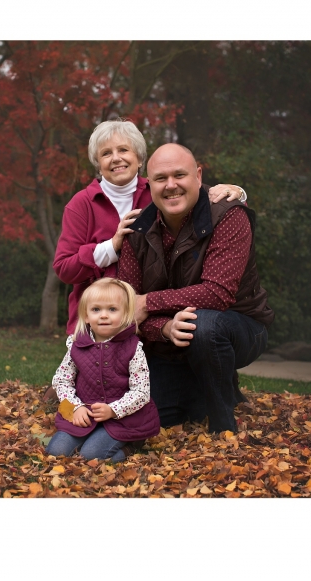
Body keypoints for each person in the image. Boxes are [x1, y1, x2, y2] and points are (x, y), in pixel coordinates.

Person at [117, 143, 275, 433]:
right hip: (170, 341)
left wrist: (149, 303)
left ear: (198, 176)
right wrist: (163, 328)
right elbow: (127, 309)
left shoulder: (227, 215)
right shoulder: (136, 229)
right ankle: (214, 383)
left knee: (204, 325)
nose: (171, 185)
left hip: (238, 326)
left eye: (180, 175)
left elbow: (217, 293)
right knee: (159, 419)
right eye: (161, 178)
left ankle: (223, 428)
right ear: (149, 183)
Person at [53, 119, 247, 336]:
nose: (116, 158)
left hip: (150, 317)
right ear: (98, 163)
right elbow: (64, 268)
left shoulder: (159, 189)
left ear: (139, 158)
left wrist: (237, 192)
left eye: (124, 150)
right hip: (98, 318)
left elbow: (200, 197)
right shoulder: (81, 204)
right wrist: (111, 247)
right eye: (106, 153)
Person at [45, 278, 160, 462]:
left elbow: (141, 391)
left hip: (122, 418)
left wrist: (114, 410)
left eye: (112, 309)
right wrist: (75, 407)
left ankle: (132, 445)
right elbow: (61, 380)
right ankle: (91, 437)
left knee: (92, 457)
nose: (103, 315)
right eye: (96, 309)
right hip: (85, 413)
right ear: (86, 316)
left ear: (125, 314)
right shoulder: (77, 345)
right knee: (55, 451)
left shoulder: (133, 348)